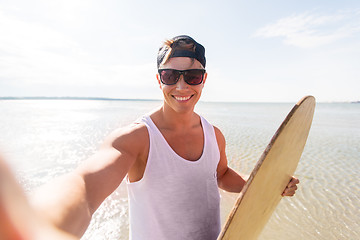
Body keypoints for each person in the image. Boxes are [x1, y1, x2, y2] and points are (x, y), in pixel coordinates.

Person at [0, 35, 299, 240]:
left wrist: (266, 185)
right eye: (171, 75)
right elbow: (85, 187)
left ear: (204, 79)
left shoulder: (213, 134)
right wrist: (36, 223)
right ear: (159, 80)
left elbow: (220, 174)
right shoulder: (137, 138)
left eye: (192, 76)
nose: (182, 86)